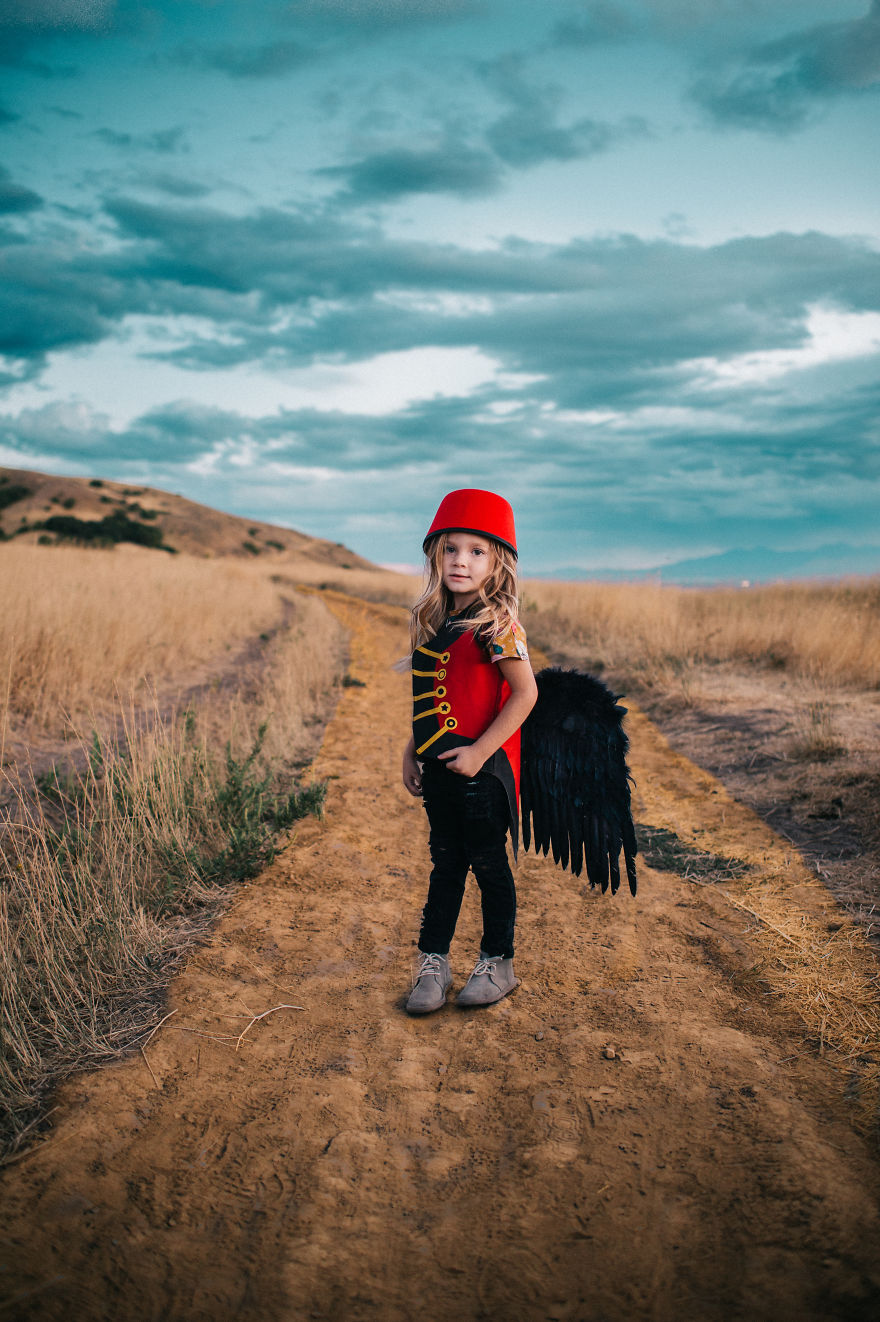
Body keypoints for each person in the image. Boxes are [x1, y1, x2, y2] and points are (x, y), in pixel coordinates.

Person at [401, 489, 538, 1014]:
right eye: (451, 549)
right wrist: (411, 749)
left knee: (487, 863)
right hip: (440, 770)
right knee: (445, 864)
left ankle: (498, 962)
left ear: (497, 562)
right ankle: (432, 963)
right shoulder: (436, 622)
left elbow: (525, 694)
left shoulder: (498, 625)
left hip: (484, 773)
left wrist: (480, 753)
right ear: (436, 555)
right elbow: (437, 696)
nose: (461, 561)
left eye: (477, 551)